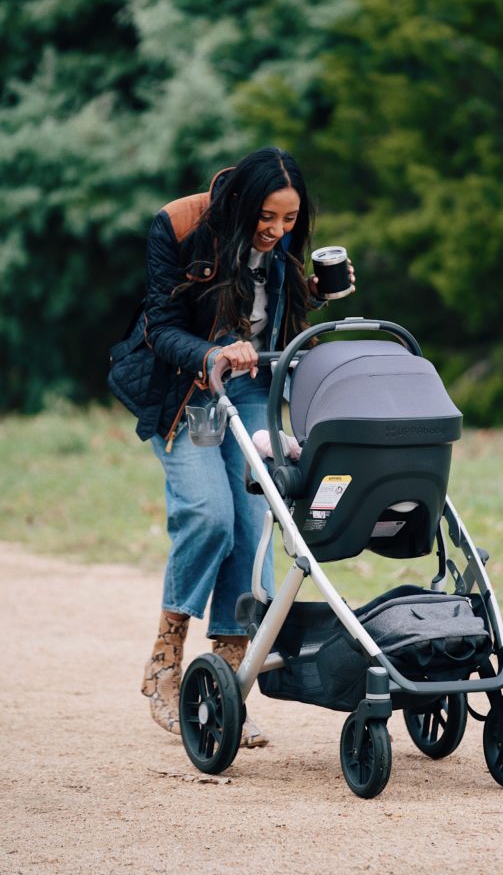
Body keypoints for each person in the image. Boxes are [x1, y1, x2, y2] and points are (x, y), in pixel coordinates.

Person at [133, 146, 354, 747]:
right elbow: (159, 324)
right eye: (268, 218)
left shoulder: (278, 249)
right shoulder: (178, 225)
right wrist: (211, 354)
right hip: (184, 392)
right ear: (241, 203)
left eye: (290, 221)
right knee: (209, 515)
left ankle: (227, 685)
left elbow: (270, 319)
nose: (278, 231)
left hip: (252, 393)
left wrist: (311, 289)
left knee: (257, 523)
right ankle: (164, 662)